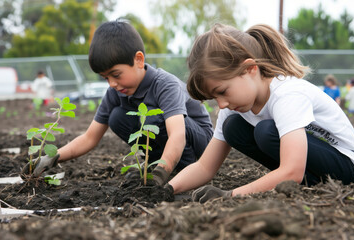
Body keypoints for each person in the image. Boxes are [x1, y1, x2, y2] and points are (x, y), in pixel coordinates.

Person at [168, 23, 354, 203]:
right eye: (214, 97)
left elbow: (292, 171)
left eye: (222, 91)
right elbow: (204, 167)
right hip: (309, 172)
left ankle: (300, 183)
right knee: (233, 127)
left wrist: (230, 195)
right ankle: (306, 185)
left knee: (265, 131)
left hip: (347, 168)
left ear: (250, 68)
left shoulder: (287, 95)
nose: (222, 104)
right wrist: (166, 189)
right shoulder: (234, 107)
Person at [21, 20, 213, 186]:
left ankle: (184, 172)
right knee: (116, 117)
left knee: (155, 117)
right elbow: (90, 137)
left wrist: (163, 172)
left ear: (138, 60)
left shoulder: (164, 84)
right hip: (171, 142)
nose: (112, 83)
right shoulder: (115, 91)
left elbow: (177, 134)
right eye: (105, 78)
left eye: (116, 74)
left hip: (200, 144)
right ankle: (155, 166)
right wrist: (52, 158)